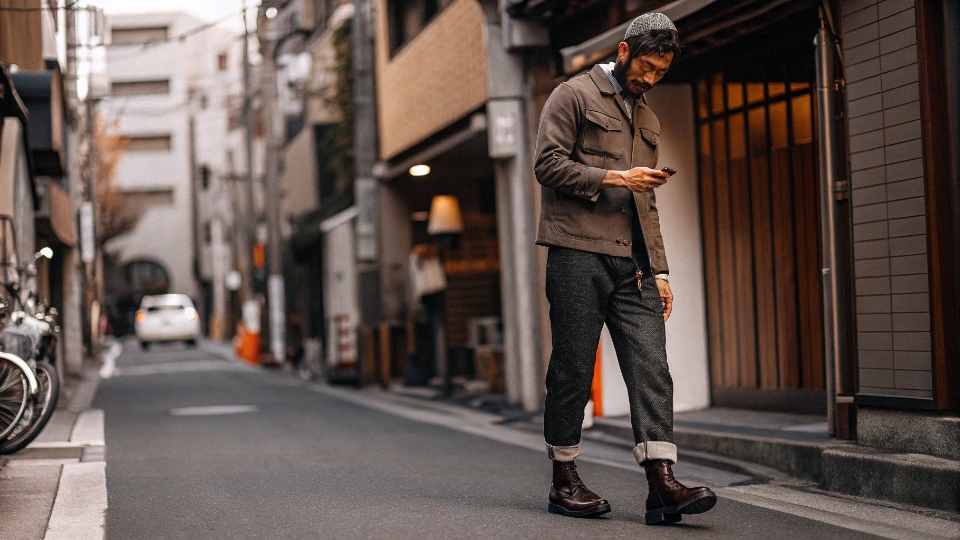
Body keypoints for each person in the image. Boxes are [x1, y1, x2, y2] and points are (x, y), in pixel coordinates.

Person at [533, 13, 717, 525]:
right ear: (623, 50)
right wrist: (615, 175)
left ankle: (662, 483)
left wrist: (660, 270)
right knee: (572, 367)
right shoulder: (572, 95)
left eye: (660, 72)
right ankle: (563, 478)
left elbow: (646, 203)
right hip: (575, 253)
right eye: (646, 68)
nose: (651, 79)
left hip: (631, 265)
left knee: (652, 368)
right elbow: (546, 164)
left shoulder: (648, 119)